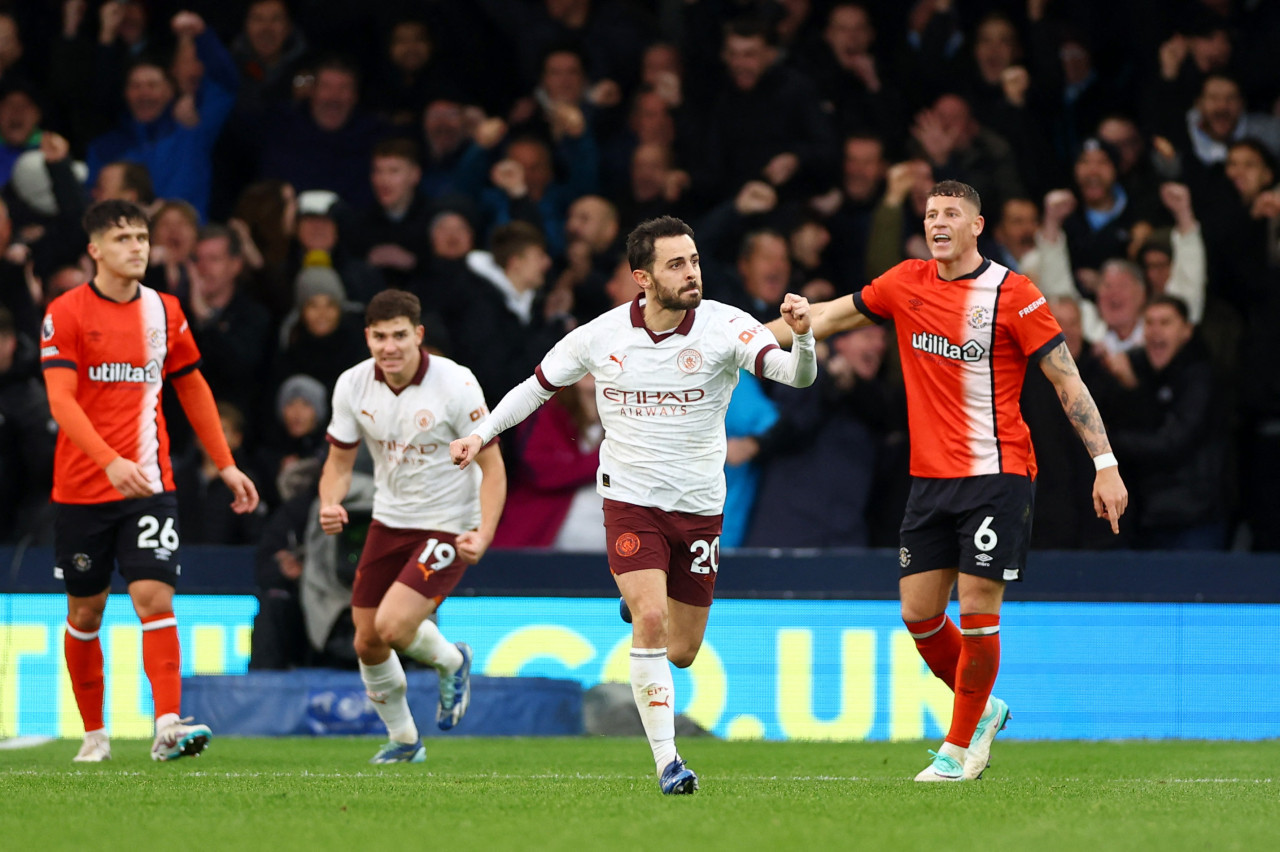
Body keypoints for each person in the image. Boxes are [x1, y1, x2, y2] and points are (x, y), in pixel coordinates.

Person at [764, 181, 1128, 782]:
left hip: (997, 474)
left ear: (977, 226)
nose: (938, 222)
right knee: (919, 615)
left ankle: (958, 750)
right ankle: (984, 709)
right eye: (931, 213)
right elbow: (830, 315)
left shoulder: (1015, 294)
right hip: (929, 481)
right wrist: (740, 343)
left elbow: (1068, 381)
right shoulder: (905, 281)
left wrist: (1106, 463)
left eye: (951, 214)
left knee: (979, 607)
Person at [450, 215, 817, 794]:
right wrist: (481, 434)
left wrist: (805, 336)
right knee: (651, 618)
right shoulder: (600, 336)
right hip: (630, 501)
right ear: (642, 277)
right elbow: (535, 387)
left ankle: (639, 597)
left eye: (693, 260)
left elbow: (794, 377)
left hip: (699, 509)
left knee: (684, 650)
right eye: (676, 264)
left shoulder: (728, 326)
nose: (691, 272)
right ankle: (669, 763)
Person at [40, 200, 260, 762]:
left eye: (141, 237)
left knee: (154, 597)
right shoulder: (64, 313)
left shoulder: (166, 311)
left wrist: (225, 462)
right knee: (84, 612)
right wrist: (108, 460)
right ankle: (94, 735)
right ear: (95, 251)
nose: (137, 247)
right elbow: (60, 402)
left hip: (149, 484)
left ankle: (166, 726)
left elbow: (191, 386)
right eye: (123, 239)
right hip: (83, 489)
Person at [319, 289, 506, 763]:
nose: (390, 346)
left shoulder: (457, 384)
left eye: (400, 335)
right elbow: (338, 464)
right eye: (380, 336)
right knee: (366, 639)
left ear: (418, 335)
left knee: (393, 625)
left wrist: (482, 532)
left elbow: (494, 466)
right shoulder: (352, 385)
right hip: (389, 520)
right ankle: (405, 740)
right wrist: (329, 502)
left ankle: (453, 660)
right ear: (367, 338)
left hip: (447, 524)